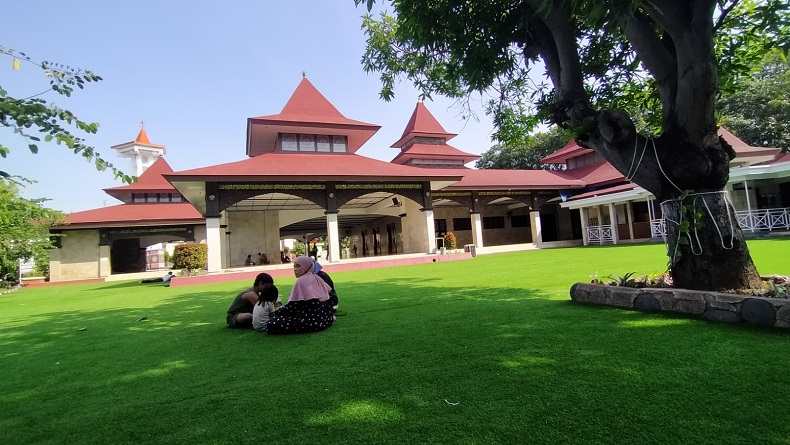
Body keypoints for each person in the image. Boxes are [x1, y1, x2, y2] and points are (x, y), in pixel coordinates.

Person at [266, 256, 334, 335]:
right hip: (327, 319)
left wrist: (277, 312)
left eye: (298, 266)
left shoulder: (301, 281)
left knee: (272, 323)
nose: (295, 269)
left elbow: (292, 308)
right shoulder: (317, 278)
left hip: (312, 322)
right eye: (294, 266)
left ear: (306, 266)